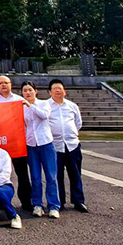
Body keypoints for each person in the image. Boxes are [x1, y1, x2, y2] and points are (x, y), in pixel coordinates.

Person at [0, 74, 31, 210]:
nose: (3, 85)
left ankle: (26, 202)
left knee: (22, 174)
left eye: (6, 82)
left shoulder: (20, 101)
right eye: (0, 83)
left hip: (17, 143)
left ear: (11, 84)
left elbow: (28, 120)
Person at [21, 80, 61, 219]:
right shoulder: (21, 107)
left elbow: (44, 116)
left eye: (30, 90)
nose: (27, 93)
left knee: (51, 176)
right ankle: (37, 204)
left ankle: (53, 205)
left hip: (45, 143)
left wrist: (30, 105)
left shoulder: (44, 104)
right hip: (31, 145)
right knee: (36, 177)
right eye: (25, 90)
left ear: (35, 91)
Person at [47, 79, 87, 213]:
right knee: (56, 175)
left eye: (60, 88)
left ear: (65, 91)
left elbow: (78, 123)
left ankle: (78, 201)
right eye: (55, 89)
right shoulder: (46, 106)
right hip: (55, 146)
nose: (58, 91)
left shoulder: (72, 106)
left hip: (72, 145)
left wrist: (70, 134)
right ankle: (60, 201)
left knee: (75, 174)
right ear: (49, 92)